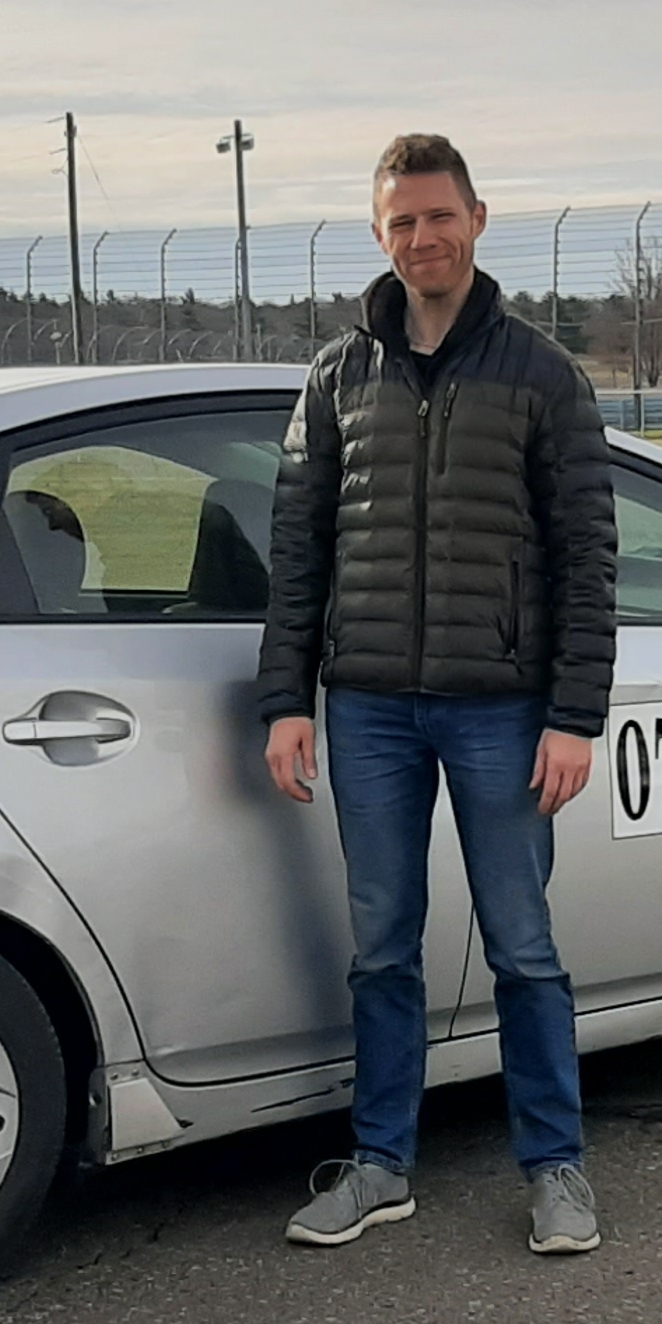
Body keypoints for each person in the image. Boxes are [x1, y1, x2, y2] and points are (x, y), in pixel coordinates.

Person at [257, 133, 618, 1257]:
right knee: (381, 947)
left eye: (439, 216)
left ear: (476, 219)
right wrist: (289, 698)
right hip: (366, 709)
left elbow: (587, 554)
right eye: (402, 221)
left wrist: (573, 716)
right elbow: (297, 547)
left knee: (523, 945)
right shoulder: (335, 378)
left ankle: (556, 1170)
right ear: (379, 235)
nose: (423, 237)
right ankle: (381, 1165)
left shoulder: (542, 376)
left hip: (501, 710)